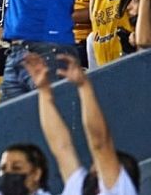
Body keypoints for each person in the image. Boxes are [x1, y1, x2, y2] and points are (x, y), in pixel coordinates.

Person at [24, 53, 141, 195]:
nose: (91, 175)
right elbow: (61, 148)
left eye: (98, 170)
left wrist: (84, 86)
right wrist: (44, 93)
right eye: (93, 170)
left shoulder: (120, 190)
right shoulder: (81, 188)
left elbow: (101, 144)